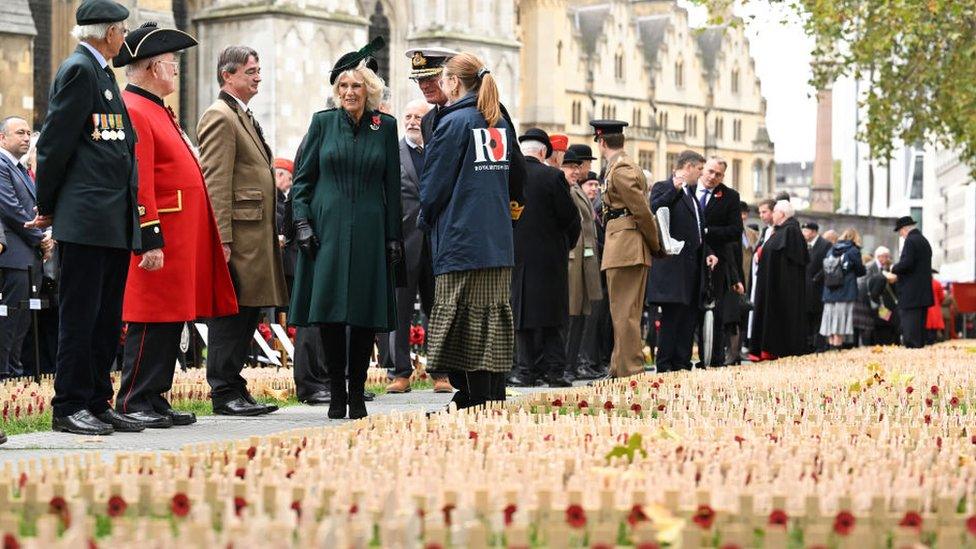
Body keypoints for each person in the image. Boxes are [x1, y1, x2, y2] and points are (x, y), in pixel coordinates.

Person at [28, 0, 147, 436]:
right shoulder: (79, 69)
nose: (124, 37)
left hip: (110, 217)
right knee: (80, 316)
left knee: (106, 317)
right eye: (121, 31)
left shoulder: (103, 74)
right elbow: (54, 144)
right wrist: (47, 206)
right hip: (86, 216)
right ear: (110, 33)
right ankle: (70, 405)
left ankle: (98, 401)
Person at [112, 23, 239, 427]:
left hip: (179, 236)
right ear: (152, 67)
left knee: (170, 318)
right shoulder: (135, 109)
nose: (176, 70)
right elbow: (140, 179)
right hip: (161, 234)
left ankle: (155, 394)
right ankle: (134, 398)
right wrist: (149, 233)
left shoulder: (155, 107)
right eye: (171, 63)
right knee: (151, 316)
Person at [289, 38, 400, 420]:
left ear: (368, 90)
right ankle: (336, 392)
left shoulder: (384, 126)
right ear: (336, 91)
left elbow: (392, 186)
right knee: (331, 313)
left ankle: (357, 392)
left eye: (356, 86)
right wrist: (301, 221)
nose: (349, 92)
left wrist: (393, 238)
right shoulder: (322, 123)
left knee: (365, 314)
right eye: (343, 86)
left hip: (370, 227)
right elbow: (302, 180)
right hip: (327, 228)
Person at [419, 52, 525, 408]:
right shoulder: (498, 120)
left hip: (460, 237)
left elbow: (434, 186)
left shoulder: (454, 122)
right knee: (490, 316)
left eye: (444, 79)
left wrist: (425, 219)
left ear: (453, 82)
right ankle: (492, 395)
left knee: (461, 316)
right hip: (496, 238)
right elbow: (517, 177)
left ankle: (471, 397)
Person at [197, 45, 288, 416]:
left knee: (247, 310)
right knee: (231, 313)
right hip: (238, 235)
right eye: (250, 71)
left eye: (258, 69)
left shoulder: (241, 115)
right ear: (227, 75)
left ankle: (234, 386)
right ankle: (223, 391)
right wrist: (222, 239)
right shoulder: (221, 116)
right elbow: (215, 182)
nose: (258, 77)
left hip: (253, 234)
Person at [385, 99, 453, 395]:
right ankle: (399, 373)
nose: (412, 122)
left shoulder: (443, 152)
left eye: (418, 117)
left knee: (437, 310)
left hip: (438, 245)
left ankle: (440, 372)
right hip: (403, 244)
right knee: (399, 311)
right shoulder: (393, 153)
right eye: (408, 116)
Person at [508, 129, 580, 387]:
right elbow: (570, 218)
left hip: (515, 255)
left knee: (522, 313)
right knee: (552, 316)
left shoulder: (507, 175)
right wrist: (566, 244)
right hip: (549, 259)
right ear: (542, 152)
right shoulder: (552, 177)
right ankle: (554, 372)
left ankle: (525, 371)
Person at [597, 120, 660, 377]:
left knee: (625, 313)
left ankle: (630, 370)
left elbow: (641, 211)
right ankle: (619, 368)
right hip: (626, 245)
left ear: (601, 142)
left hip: (626, 246)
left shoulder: (621, 169)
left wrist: (654, 243)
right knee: (623, 312)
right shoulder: (622, 166)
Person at [647, 150, 708, 372]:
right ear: (688, 167)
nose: (701, 174)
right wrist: (675, 188)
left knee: (688, 318)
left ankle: (682, 362)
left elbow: (699, 229)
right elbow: (655, 208)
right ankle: (665, 364)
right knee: (672, 319)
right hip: (673, 267)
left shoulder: (692, 195)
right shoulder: (666, 186)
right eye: (700, 169)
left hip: (692, 267)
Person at [0, 116, 50, 378]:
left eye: (28, 133)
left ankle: (14, 370)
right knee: (10, 318)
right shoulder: (1, 165)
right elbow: (10, 208)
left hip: (29, 255)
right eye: (19, 132)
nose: (26, 137)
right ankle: (5, 373)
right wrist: (40, 237)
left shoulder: (18, 168)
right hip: (13, 256)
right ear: (2, 138)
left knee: (22, 321)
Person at [693, 156, 742, 367]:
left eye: (718, 174)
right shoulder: (688, 190)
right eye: (710, 171)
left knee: (715, 313)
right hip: (690, 260)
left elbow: (735, 230)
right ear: (703, 170)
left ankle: (713, 358)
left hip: (716, 263)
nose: (713, 177)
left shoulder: (730, 196)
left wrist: (707, 231)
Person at [748, 200, 808, 359]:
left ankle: (774, 349)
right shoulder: (782, 231)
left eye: (773, 212)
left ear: (781, 214)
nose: (772, 214)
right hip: (772, 284)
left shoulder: (791, 232)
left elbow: (790, 263)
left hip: (781, 288)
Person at [564, 154, 601, 380]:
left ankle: (574, 362)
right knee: (572, 314)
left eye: (578, 167)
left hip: (584, 259)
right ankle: (568, 365)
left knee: (582, 314)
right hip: (573, 259)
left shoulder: (576, 189)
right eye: (571, 167)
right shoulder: (569, 190)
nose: (576, 171)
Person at [886, 216, 933, 348]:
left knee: (911, 330)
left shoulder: (910, 241)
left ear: (905, 229)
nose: (901, 235)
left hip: (911, 294)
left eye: (900, 232)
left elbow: (907, 263)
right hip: (922, 292)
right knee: (919, 330)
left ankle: (912, 351)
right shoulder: (924, 241)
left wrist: (893, 268)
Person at [818, 228, 866, 350]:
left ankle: (831, 346)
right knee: (841, 319)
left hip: (829, 291)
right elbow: (861, 271)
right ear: (855, 238)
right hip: (846, 291)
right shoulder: (853, 251)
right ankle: (837, 347)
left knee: (830, 319)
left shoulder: (831, 249)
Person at [802, 221, 831, 352]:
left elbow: (827, 265)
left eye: (806, 231)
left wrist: (816, 278)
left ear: (813, 232)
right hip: (805, 289)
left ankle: (818, 345)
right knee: (807, 317)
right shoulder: (804, 244)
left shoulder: (825, 245)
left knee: (818, 318)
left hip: (818, 288)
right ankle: (807, 345)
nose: (804, 234)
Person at [864, 246, 900, 345]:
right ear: (879, 256)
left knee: (889, 327)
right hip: (878, 305)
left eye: (888, 257)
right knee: (881, 328)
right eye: (886, 257)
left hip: (889, 305)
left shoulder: (890, 269)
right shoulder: (870, 267)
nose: (888, 259)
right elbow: (867, 287)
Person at [926, 271, 945, 344]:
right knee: (934, 328)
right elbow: (942, 297)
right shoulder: (937, 283)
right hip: (935, 308)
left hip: (925, 308)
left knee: (926, 327)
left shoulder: (922, 283)